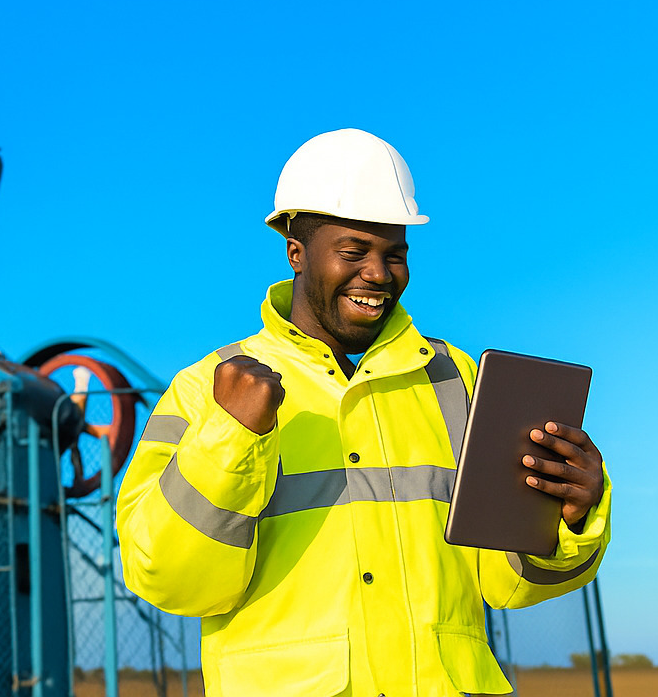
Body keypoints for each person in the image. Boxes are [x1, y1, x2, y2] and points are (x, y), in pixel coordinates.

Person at [116, 129, 610, 697]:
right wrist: (230, 438)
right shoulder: (208, 388)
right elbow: (171, 580)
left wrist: (575, 514)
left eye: (395, 253)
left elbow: (513, 585)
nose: (379, 274)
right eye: (353, 252)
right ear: (295, 251)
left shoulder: (462, 382)